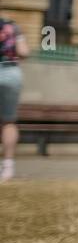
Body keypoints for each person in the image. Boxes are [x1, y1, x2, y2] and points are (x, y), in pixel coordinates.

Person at [0, 16, 29, 182]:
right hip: (11, 73)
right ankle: (8, 167)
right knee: (8, 121)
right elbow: (24, 52)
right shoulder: (11, 26)